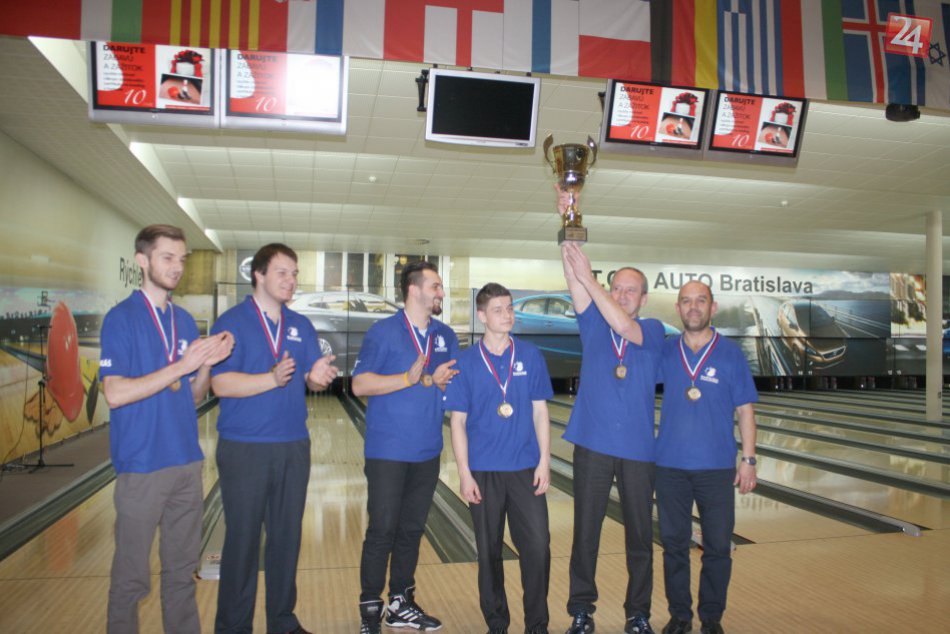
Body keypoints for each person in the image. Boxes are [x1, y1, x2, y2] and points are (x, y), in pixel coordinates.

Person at [100, 224, 234, 634]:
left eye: (181, 259)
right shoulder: (120, 319)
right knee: (131, 579)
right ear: (142, 261)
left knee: (180, 575)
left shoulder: (183, 320)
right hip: (141, 466)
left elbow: (192, 394)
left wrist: (208, 359)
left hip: (186, 465)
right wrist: (182, 364)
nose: (176, 267)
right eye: (167, 258)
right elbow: (116, 394)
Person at [210, 243, 339, 634]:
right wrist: (270, 378)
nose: (291, 280)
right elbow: (220, 383)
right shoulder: (231, 323)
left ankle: (282, 621)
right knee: (243, 543)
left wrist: (316, 379)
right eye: (282, 272)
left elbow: (307, 378)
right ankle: (234, 626)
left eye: (295, 273)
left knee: (286, 540)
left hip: (293, 445)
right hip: (244, 447)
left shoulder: (301, 325)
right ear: (259, 275)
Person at [558, 190, 665, 634]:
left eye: (629, 290)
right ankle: (582, 610)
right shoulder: (592, 324)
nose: (620, 295)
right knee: (586, 533)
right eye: (616, 287)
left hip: (639, 449)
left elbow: (624, 325)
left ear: (642, 299)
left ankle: (637, 613)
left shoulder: (654, 331)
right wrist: (565, 214)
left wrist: (594, 281)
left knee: (640, 537)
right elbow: (572, 275)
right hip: (594, 445)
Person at [352, 261, 459, 633]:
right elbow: (360, 385)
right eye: (436, 286)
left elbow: (447, 387)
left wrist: (441, 383)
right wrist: (408, 378)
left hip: (428, 450)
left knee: (412, 530)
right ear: (413, 290)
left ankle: (401, 602)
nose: (440, 293)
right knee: (382, 529)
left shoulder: (445, 335)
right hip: (387, 452)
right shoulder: (383, 332)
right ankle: (370, 608)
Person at [445, 283, 553, 634]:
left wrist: (545, 462)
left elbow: (540, 412)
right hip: (484, 470)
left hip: (524, 469)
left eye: (510, 308)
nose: (507, 314)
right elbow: (457, 422)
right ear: (481, 316)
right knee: (489, 552)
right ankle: (497, 622)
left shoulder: (530, 355)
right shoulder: (464, 362)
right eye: (498, 309)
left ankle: (537, 623)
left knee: (537, 546)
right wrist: (464, 473)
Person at [655, 282, 758, 634]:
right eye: (687, 301)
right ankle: (680, 615)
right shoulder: (666, 351)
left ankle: (711, 618)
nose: (693, 307)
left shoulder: (731, 354)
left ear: (712, 308)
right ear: (678, 308)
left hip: (716, 468)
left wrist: (749, 459)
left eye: (701, 301)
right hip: (669, 466)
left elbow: (745, 409)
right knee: (673, 546)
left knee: (717, 546)